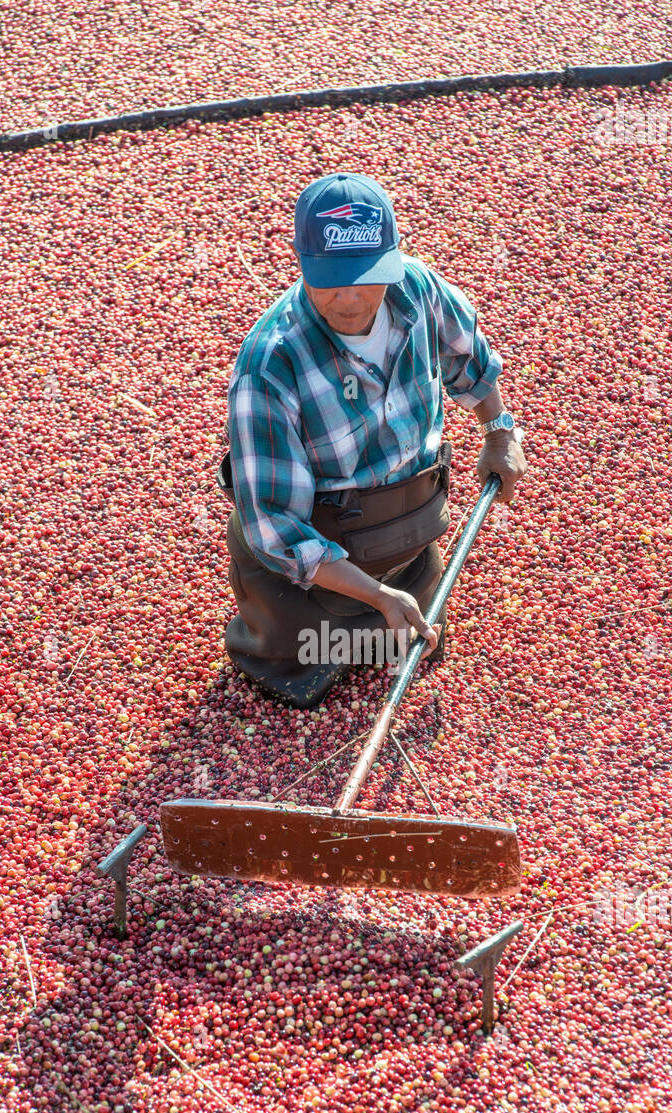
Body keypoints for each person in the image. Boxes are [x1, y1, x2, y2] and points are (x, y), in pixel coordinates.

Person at [219, 170, 528, 709]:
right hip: (313, 560)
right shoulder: (270, 366)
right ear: (301, 264)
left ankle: (391, 598)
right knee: (297, 658)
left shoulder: (418, 291)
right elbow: (275, 523)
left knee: (406, 641)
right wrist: (377, 596)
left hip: (407, 530)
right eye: (331, 279)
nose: (350, 299)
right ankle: (303, 629)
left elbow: (469, 361)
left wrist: (499, 431)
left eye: (366, 275)